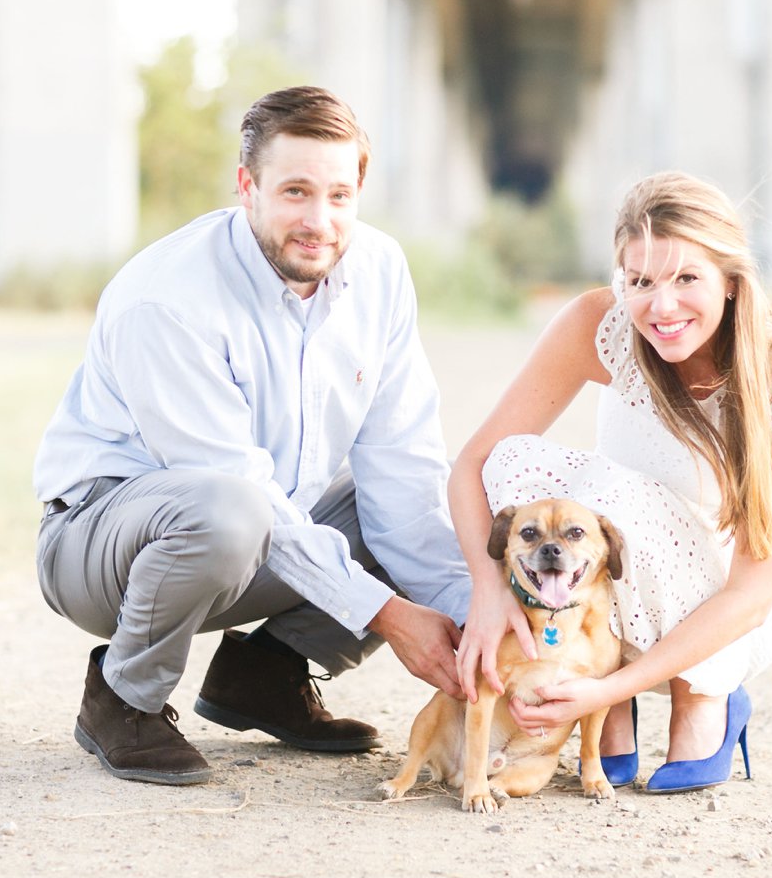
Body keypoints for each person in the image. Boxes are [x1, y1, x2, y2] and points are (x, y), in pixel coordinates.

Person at [33, 86, 468, 786]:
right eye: (294, 191)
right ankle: (122, 698)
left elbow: (406, 476)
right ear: (248, 186)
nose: (318, 220)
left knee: (420, 500)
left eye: (337, 195)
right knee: (233, 508)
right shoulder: (169, 298)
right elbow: (243, 493)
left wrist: (472, 622)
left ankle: (263, 674)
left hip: (253, 536)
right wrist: (389, 616)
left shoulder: (380, 272)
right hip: (102, 546)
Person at [449, 171, 772, 794]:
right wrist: (487, 591)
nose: (662, 306)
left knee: (607, 496)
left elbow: (754, 594)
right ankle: (609, 699)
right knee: (519, 463)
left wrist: (605, 688)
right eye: (641, 281)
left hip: (730, 596)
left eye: (686, 278)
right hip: (626, 568)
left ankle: (702, 696)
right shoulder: (599, 324)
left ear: (732, 283)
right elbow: (475, 464)